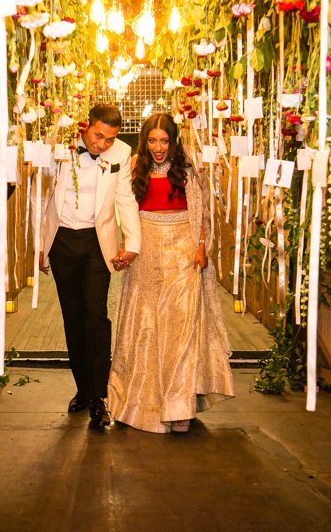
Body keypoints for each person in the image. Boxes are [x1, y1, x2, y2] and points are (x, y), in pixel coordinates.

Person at [107, 113, 236, 433]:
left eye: (164, 141)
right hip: (147, 250)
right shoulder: (134, 164)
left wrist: (201, 247)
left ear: (173, 141)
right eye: (152, 140)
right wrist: (126, 245)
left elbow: (200, 208)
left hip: (183, 252)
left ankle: (178, 407)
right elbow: (123, 207)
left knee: (180, 331)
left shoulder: (188, 166)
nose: (158, 147)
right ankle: (139, 403)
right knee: (146, 327)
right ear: (144, 141)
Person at [40, 104, 141, 429]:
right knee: (73, 316)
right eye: (98, 136)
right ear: (86, 127)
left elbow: (125, 197)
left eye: (109, 139)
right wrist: (39, 247)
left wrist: (132, 243)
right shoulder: (59, 145)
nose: (102, 145)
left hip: (99, 243)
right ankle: (82, 389)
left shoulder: (122, 153)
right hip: (62, 241)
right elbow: (39, 196)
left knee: (96, 315)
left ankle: (99, 398)